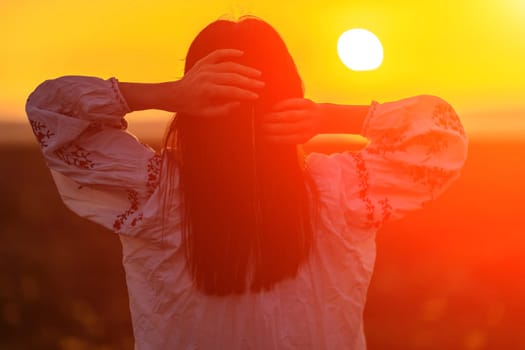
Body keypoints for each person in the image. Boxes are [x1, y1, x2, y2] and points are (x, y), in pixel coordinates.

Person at [26, 16, 468, 350]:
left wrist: (166, 93)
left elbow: (53, 113)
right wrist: (332, 115)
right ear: (291, 95)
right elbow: (439, 137)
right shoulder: (342, 192)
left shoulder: (152, 195)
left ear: (191, 108)